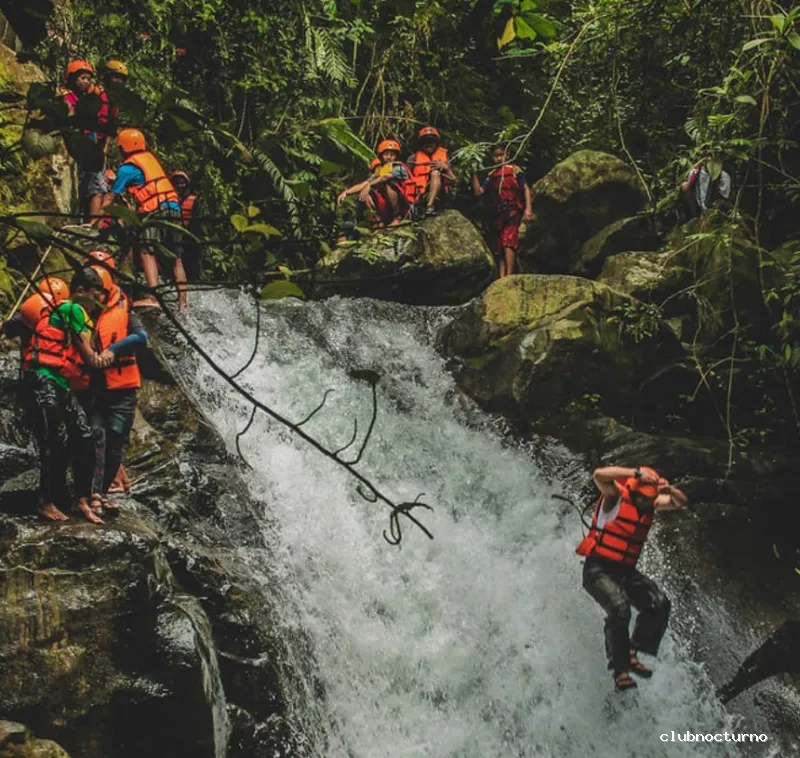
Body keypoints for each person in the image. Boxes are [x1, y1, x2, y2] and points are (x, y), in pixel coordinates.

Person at [0, 276, 104, 523]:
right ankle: (46, 502)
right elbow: (89, 356)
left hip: (58, 381)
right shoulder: (72, 310)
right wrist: (103, 359)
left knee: (84, 436)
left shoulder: (36, 312)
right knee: (56, 441)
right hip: (40, 380)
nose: (96, 302)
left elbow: (7, 327)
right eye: (94, 296)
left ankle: (81, 499)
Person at [577, 465, 688, 691]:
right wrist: (635, 473)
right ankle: (620, 671)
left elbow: (680, 502)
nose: (645, 503)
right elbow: (599, 474)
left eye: (649, 499)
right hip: (598, 570)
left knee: (659, 604)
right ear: (634, 492)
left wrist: (670, 488)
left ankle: (632, 649)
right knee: (620, 608)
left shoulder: (652, 502)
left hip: (625, 572)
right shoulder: (615, 496)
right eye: (642, 498)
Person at [69, 266, 147, 514]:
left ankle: (98, 493)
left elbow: (140, 337)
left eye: (102, 293)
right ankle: (87, 495)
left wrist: (113, 350)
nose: (99, 298)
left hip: (120, 388)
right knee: (94, 439)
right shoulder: (77, 311)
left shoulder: (124, 310)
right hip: (92, 389)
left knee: (115, 441)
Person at [102, 128, 187, 309]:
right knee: (176, 259)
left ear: (123, 147)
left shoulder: (127, 168)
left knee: (147, 251)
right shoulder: (150, 160)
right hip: (174, 207)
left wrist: (94, 221)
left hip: (155, 209)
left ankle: (153, 298)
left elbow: (110, 197)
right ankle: (183, 304)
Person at [472, 144, 534, 278]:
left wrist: (528, 209)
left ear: (508, 155)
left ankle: (509, 274)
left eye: (502, 155)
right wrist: (474, 175)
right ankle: (501, 276)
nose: (499, 158)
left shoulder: (515, 170)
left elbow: (525, 188)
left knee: (508, 240)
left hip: (512, 210)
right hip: (498, 213)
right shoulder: (492, 174)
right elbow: (479, 192)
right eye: (496, 156)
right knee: (499, 245)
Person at [61, 60, 108, 225]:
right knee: (80, 184)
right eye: (82, 78)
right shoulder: (65, 96)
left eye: (88, 79)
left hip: (89, 140)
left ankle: (92, 225)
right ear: (72, 79)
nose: (85, 82)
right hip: (74, 140)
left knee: (95, 183)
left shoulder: (91, 99)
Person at [336, 140, 414, 228]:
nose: (389, 157)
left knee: (387, 184)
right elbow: (364, 184)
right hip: (387, 205)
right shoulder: (379, 170)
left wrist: (370, 185)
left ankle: (397, 217)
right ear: (381, 156)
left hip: (404, 203)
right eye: (386, 154)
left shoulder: (398, 167)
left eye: (392, 155)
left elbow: (385, 177)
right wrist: (346, 192)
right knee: (365, 192)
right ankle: (378, 222)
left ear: (396, 156)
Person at [407, 126, 456, 218]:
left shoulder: (444, 158)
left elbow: (454, 180)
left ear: (436, 143)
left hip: (440, 195)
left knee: (435, 173)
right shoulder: (413, 159)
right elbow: (406, 180)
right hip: (419, 193)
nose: (428, 145)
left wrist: (446, 168)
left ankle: (430, 206)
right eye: (425, 142)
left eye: (431, 142)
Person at [170, 170, 202, 281]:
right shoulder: (170, 200)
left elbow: (197, 222)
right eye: (177, 183)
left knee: (192, 266)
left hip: (189, 238)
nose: (180, 186)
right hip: (174, 238)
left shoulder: (194, 200)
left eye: (182, 183)